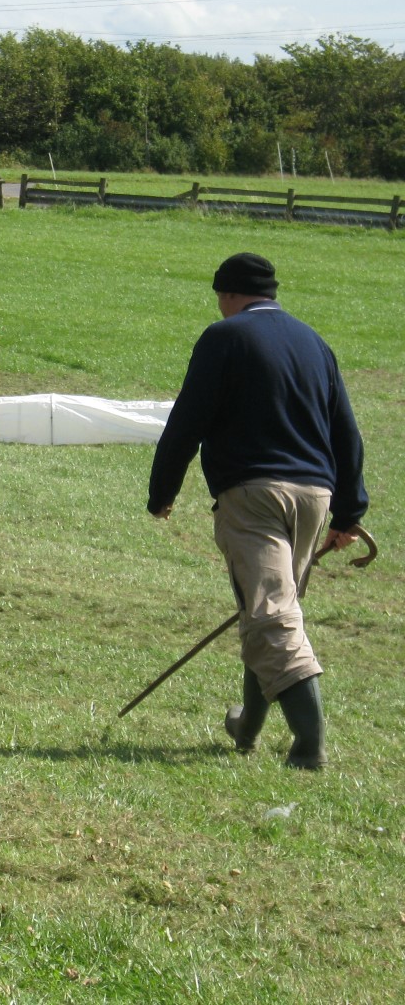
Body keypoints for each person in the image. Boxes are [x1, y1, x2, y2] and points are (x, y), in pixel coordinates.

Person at [147, 252, 367, 770]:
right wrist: (348, 513)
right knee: (268, 608)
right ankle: (247, 724)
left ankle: (309, 745)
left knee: (271, 614)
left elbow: (187, 422)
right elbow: (346, 433)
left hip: (252, 494)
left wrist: (163, 494)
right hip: (315, 496)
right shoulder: (315, 343)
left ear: (227, 295)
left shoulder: (223, 338)